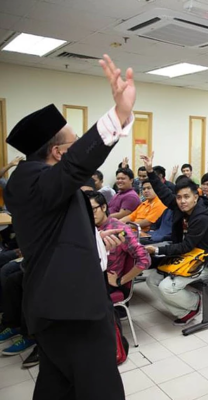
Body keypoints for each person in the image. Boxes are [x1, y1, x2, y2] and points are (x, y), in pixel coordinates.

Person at [3, 54, 134, 400]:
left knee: (57, 384)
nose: (77, 150)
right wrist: (118, 116)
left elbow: (55, 228)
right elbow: (78, 166)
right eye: (73, 144)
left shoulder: (32, 182)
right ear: (60, 153)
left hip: (54, 307)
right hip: (73, 311)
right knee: (99, 389)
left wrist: (93, 237)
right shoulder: (36, 181)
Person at [141, 153, 208, 325]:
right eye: (179, 197)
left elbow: (186, 246)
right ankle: (184, 312)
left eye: (186, 197)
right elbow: (163, 192)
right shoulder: (180, 207)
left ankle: (194, 302)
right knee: (152, 280)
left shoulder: (202, 217)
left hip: (205, 260)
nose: (182, 201)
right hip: (186, 256)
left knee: (165, 287)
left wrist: (157, 250)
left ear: (195, 197)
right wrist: (149, 171)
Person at [89, 191, 150, 300]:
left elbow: (144, 259)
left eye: (93, 209)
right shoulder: (87, 227)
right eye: (86, 211)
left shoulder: (119, 230)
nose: (89, 214)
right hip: (88, 275)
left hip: (105, 281)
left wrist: (120, 281)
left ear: (103, 207)